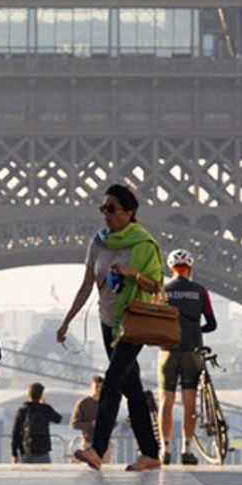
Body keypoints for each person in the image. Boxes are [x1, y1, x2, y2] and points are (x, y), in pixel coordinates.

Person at [56, 185, 159, 464]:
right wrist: (67, 321)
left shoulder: (143, 244)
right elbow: (86, 285)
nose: (106, 214)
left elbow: (156, 285)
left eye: (111, 209)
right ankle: (150, 453)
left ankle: (97, 450)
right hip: (107, 322)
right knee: (133, 389)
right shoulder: (98, 242)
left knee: (112, 382)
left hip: (132, 322)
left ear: (129, 212)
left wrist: (132, 273)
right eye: (103, 208)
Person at [159, 248, 217, 465]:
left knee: (166, 401)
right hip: (192, 350)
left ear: (170, 268)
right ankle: (187, 450)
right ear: (189, 269)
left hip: (168, 350)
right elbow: (212, 323)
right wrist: (195, 330)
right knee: (189, 403)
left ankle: (164, 449)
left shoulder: (162, 291)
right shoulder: (200, 291)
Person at [11, 382, 62, 463]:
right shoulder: (45, 409)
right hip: (43, 451)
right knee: (46, 475)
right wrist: (44, 404)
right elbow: (58, 419)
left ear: (28, 395)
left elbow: (15, 433)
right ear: (41, 395)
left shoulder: (22, 411)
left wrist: (14, 453)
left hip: (26, 451)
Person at [70, 376, 110, 462]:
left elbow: (114, 422)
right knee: (88, 471)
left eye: (101, 387)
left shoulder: (106, 403)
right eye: (96, 387)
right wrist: (91, 424)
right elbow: (74, 424)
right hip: (88, 443)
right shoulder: (82, 403)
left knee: (106, 471)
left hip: (104, 444)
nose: (99, 389)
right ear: (91, 387)